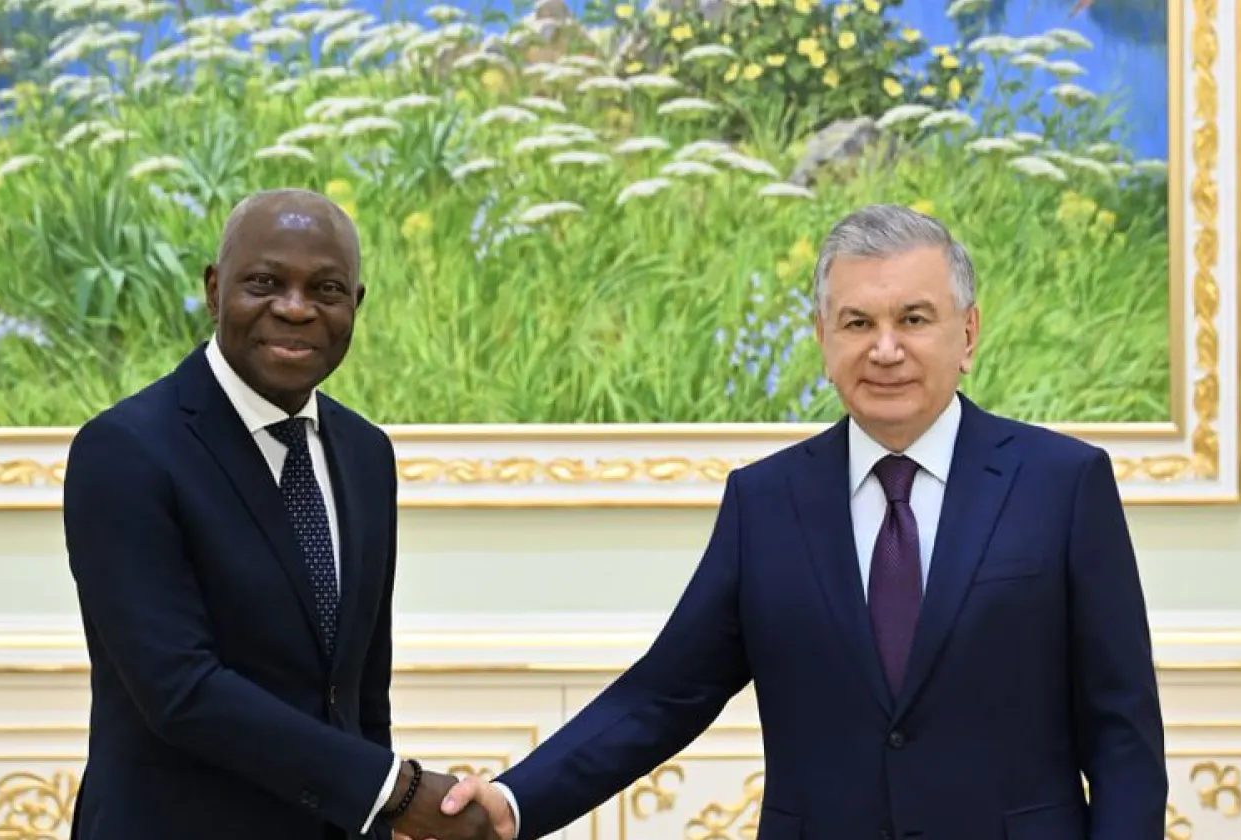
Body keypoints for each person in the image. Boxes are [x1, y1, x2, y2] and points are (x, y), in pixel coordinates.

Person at [441, 204, 1167, 839]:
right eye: (858, 323)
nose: (885, 349)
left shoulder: (1062, 484)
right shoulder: (766, 501)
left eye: (914, 319)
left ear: (968, 334)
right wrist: (513, 801)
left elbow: (1122, 734)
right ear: (823, 337)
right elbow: (663, 694)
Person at [62, 189, 496, 840]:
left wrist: (376, 813)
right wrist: (397, 793)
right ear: (214, 291)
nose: (295, 309)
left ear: (356, 303)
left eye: (325, 289)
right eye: (265, 283)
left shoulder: (366, 454)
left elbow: (358, 695)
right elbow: (181, 690)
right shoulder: (126, 450)